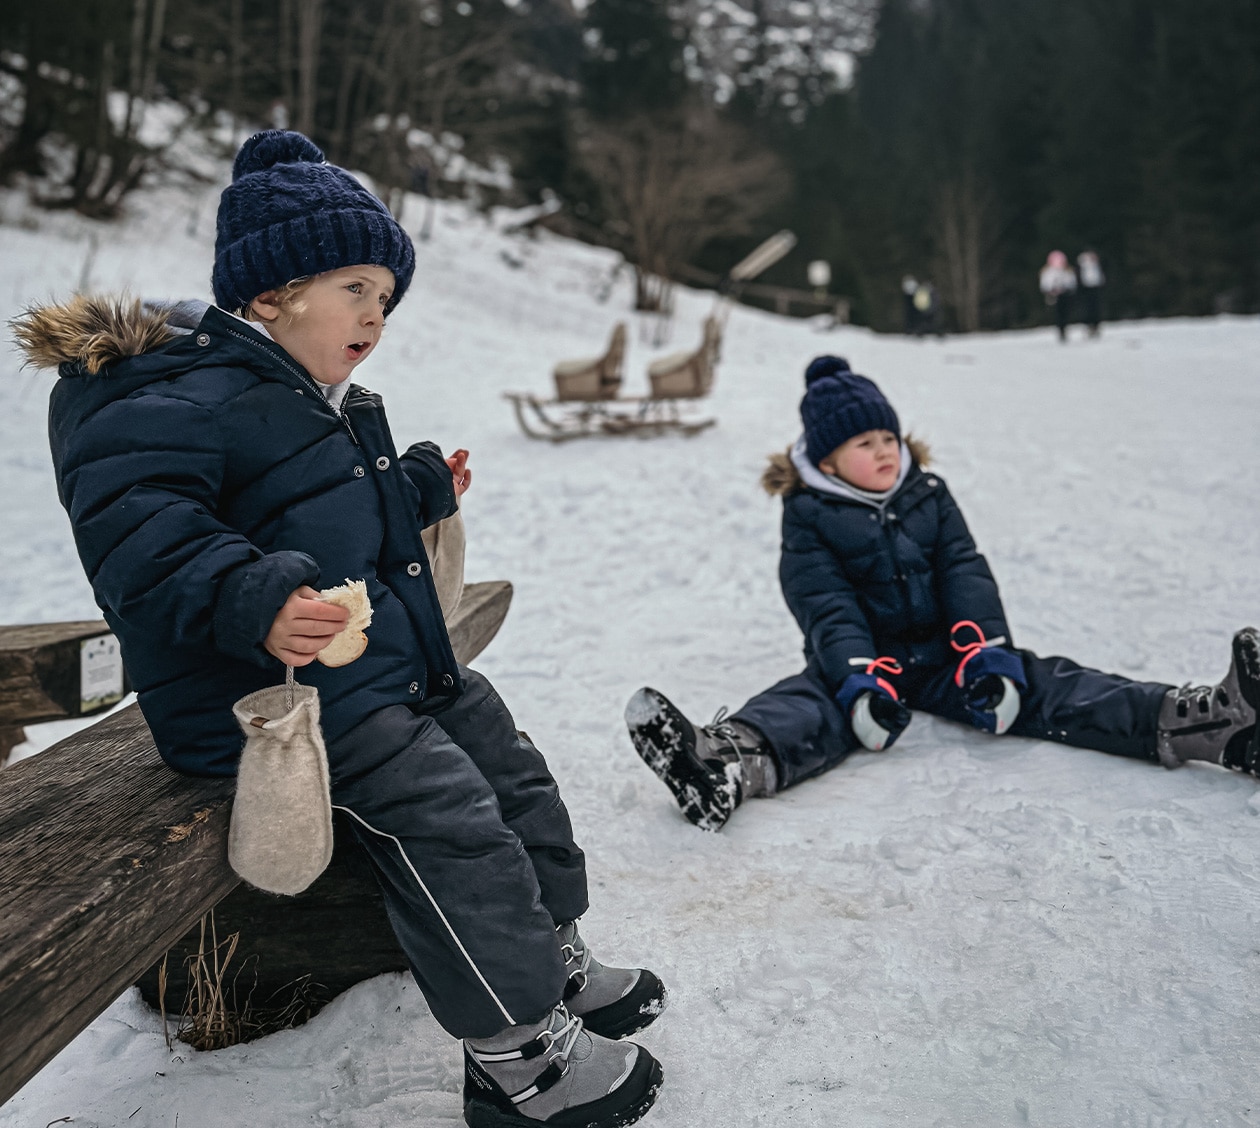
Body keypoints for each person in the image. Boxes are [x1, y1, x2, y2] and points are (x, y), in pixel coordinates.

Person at [13, 130, 664, 1128]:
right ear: (271, 295)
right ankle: (516, 1057)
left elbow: (317, 506)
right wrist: (257, 596)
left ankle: (553, 955)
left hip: (364, 674)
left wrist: (412, 487)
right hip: (259, 705)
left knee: (504, 759)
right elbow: (148, 542)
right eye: (355, 288)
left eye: (386, 297)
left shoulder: (307, 399)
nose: (376, 314)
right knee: (447, 811)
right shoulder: (158, 400)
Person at [624, 356, 1259, 832]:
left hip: (946, 652)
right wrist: (858, 680)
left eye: (889, 440)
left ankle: (1211, 724)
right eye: (864, 444)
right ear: (827, 459)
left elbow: (965, 571)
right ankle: (725, 765)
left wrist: (988, 656)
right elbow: (825, 604)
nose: (884, 453)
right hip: (863, 660)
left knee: (1054, 685)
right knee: (808, 704)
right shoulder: (809, 514)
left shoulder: (928, 494)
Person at [1039, 250, 1077, 342]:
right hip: (1054, 295)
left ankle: (1063, 328)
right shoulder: (1048, 271)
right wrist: (1051, 290)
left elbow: (1072, 282)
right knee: (1058, 313)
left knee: (1065, 313)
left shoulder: (1067, 270)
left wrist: (1065, 288)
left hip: (1065, 295)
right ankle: (1060, 329)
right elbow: (1045, 283)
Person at [1077, 249, 1105, 337]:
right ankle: (1089, 325)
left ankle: (1095, 325)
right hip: (1086, 289)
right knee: (1088, 308)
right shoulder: (1083, 265)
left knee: (1096, 308)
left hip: (1095, 287)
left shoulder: (1096, 264)